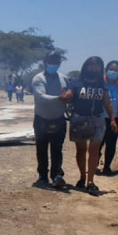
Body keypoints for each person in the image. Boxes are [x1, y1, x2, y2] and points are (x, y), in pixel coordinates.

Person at [61, 56, 117, 196]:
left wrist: (112, 119)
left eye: (97, 65)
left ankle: (90, 181)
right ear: (86, 66)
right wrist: (67, 94)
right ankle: (82, 177)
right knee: (81, 150)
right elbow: (69, 94)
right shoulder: (76, 82)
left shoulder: (101, 83)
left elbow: (107, 102)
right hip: (79, 118)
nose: (94, 68)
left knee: (94, 150)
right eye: (91, 65)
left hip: (97, 119)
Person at [31, 51, 69, 188]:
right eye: (50, 62)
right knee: (41, 149)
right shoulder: (38, 79)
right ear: (45, 62)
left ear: (59, 63)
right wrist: (59, 98)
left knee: (57, 149)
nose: (53, 64)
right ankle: (42, 175)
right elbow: (41, 96)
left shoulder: (64, 78)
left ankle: (57, 175)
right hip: (42, 119)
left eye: (56, 62)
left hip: (59, 119)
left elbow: (69, 95)